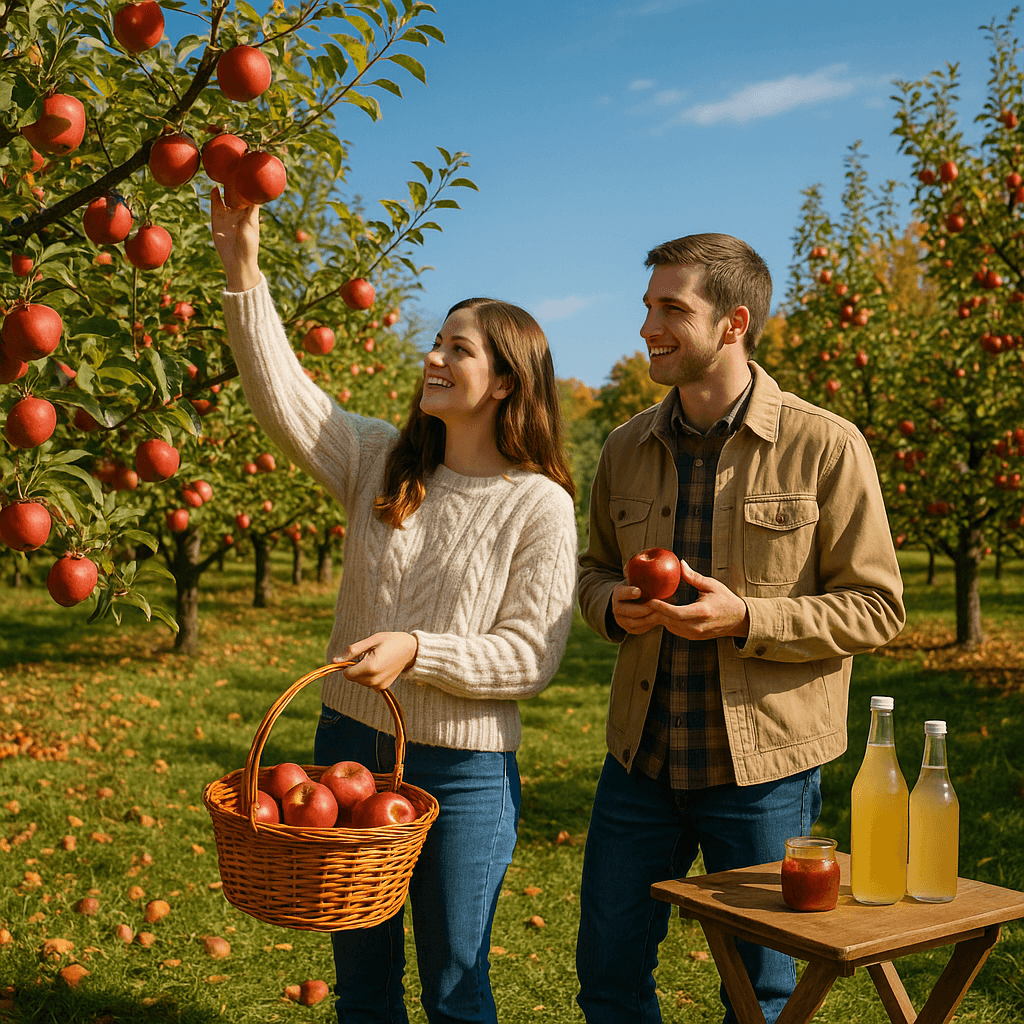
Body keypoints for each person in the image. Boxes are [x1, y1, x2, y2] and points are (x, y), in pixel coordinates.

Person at [210, 189, 578, 1024]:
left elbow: (533, 655)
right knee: (364, 983)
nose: (434, 358)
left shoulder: (538, 505)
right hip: (346, 746)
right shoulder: (379, 458)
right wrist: (243, 265)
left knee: (455, 981)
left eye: (459, 348)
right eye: (435, 342)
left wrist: (419, 648)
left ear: (506, 381)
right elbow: (285, 397)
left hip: (463, 769)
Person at [575, 232, 905, 1024]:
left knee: (759, 991)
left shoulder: (824, 445)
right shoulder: (624, 448)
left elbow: (877, 607)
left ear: (734, 322)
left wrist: (747, 616)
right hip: (642, 758)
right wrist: (610, 603)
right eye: (648, 306)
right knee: (608, 972)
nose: (648, 326)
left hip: (761, 770)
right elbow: (589, 570)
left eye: (670, 309)